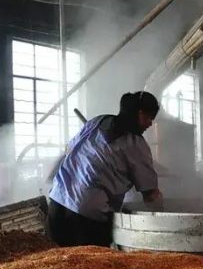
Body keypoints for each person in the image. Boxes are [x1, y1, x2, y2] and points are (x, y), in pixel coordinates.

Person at [48, 91, 162, 247]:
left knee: (59, 259)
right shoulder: (136, 143)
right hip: (86, 216)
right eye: (149, 118)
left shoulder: (98, 121)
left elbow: (69, 149)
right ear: (139, 113)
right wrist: (162, 218)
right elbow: (150, 195)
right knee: (93, 262)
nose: (150, 124)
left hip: (57, 203)